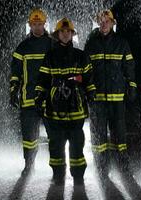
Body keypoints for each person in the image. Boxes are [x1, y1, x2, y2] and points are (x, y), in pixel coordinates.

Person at [35, 17, 96, 185]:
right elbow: (43, 80)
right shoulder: (50, 56)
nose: (65, 34)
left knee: (77, 143)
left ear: (71, 34)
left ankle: (78, 176)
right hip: (55, 107)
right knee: (56, 144)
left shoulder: (81, 55)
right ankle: (58, 174)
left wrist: (91, 95)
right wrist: (39, 98)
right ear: (57, 34)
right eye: (62, 31)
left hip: (75, 106)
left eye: (68, 31)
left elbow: (89, 79)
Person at [84, 10, 137, 177]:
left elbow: (129, 67)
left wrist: (132, 86)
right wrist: (89, 89)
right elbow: (86, 70)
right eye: (101, 20)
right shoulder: (91, 43)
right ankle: (102, 167)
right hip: (97, 98)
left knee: (119, 134)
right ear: (98, 23)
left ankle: (123, 165)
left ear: (113, 23)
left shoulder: (122, 43)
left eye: (107, 21)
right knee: (98, 135)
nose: (104, 23)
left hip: (117, 98)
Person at [9, 8, 53, 175]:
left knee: (55, 136)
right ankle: (29, 165)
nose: (37, 27)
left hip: (50, 98)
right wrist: (13, 90)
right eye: (34, 24)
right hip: (28, 99)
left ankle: (57, 166)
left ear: (44, 24)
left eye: (39, 24)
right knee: (29, 138)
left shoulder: (52, 44)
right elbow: (15, 72)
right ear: (29, 25)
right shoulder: (22, 47)